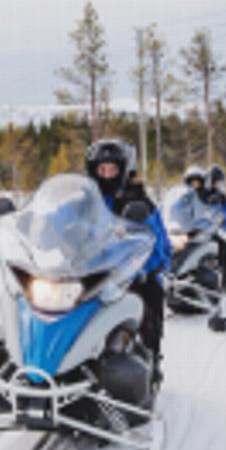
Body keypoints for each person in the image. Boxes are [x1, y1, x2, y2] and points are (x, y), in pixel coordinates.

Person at [86, 139, 171, 373]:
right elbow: (62, 224)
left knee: (150, 295)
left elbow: (159, 242)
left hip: (130, 274)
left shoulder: (138, 200)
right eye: (101, 169)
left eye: (112, 169)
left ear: (122, 170)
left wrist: (150, 267)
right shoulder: (85, 201)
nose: (106, 175)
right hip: (90, 273)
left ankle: (150, 361)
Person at [200, 165, 226, 284]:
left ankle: (225, 278)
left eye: (220, 183)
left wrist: (223, 222)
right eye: (216, 182)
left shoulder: (222, 197)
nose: (218, 185)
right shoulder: (200, 193)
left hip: (211, 230)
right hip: (195, 229)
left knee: (224, 246)